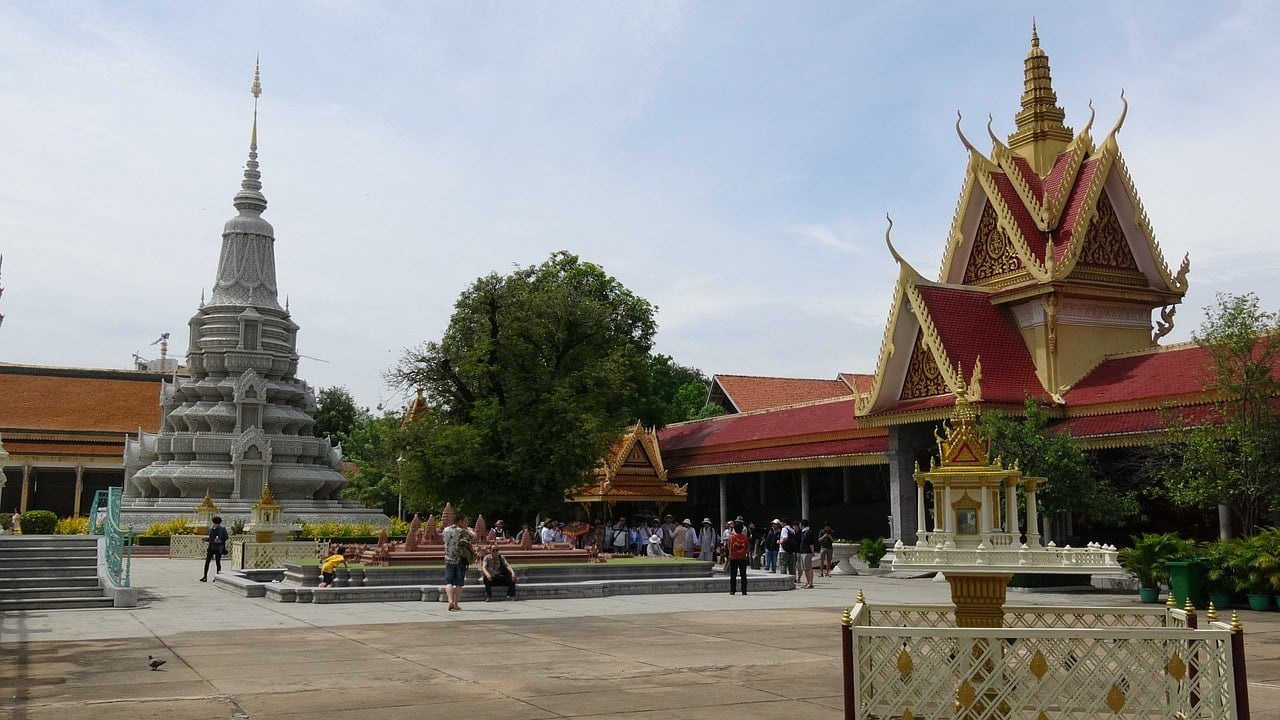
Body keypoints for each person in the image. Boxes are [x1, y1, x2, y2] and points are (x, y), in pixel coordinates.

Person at [442, 514, 474, 611]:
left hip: (448, 559)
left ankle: (450, 601)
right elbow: (473, 536)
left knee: (449, 582)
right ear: (460, 521)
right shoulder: (462, 531)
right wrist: (470, 530)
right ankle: (456, 603)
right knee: (459, 583)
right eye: (464, 521)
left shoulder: (445, 530)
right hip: (460, 560)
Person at [199, 516, 229, 582]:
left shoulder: (222, 529)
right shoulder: (211, 529)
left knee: (218, 562)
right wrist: (206, 539)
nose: (216, 525)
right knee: (207, 562)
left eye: (217, 523)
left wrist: (220, 541)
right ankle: (205, 576)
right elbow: (211, 538)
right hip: (211, 547)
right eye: (215, 523)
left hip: (218, 548)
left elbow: (226, 537)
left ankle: (218, 577)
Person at [727, 521, 750, 595]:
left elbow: (729, 547)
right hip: (743, 558)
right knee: (743, 575)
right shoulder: (745, 538)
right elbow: (747, 548)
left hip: (734, 558)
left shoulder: (732, 538)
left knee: (733, 575)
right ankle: (744, 590)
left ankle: (732, 590)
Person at [796, 518, 816, 588]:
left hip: (807, 552)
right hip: (803, 552)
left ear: (802, 525)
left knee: (808, 568)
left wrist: (813, 552)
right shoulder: (804, 532)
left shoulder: (807, 532)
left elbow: (811, 543)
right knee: (805, 568)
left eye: (800, 524)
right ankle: (807, 582)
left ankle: (810, 583)